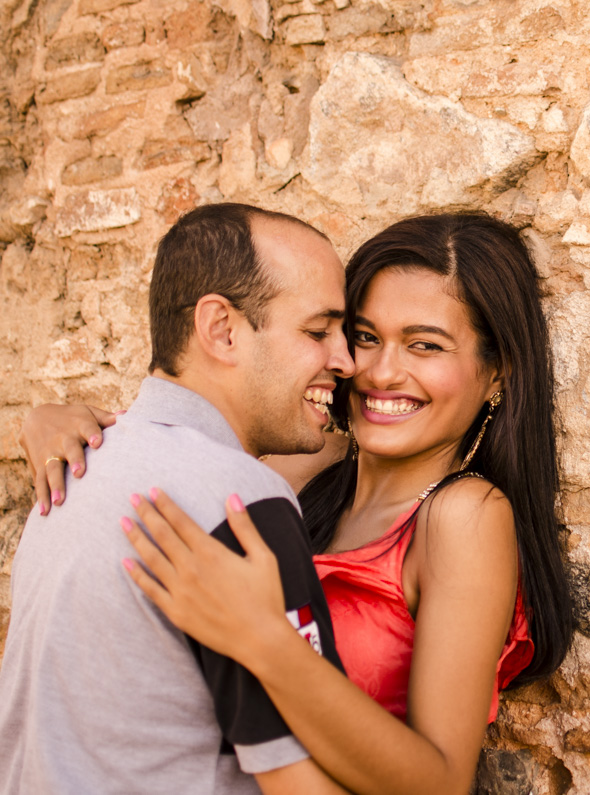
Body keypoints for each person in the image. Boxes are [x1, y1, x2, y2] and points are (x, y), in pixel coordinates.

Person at [20, 213, 575, 795]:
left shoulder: (465, 516)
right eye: (363, 336)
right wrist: (56, 422)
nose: (375, 371)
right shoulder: (298, 463)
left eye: (424, 345)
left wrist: (267, 645)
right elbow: (184, 430)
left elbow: (439, 783)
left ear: (497, 372)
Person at [0, 203, 357, 793]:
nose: (344, 361)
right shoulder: (241, 501)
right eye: (317, 331)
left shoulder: (74, 469)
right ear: (221, 329)